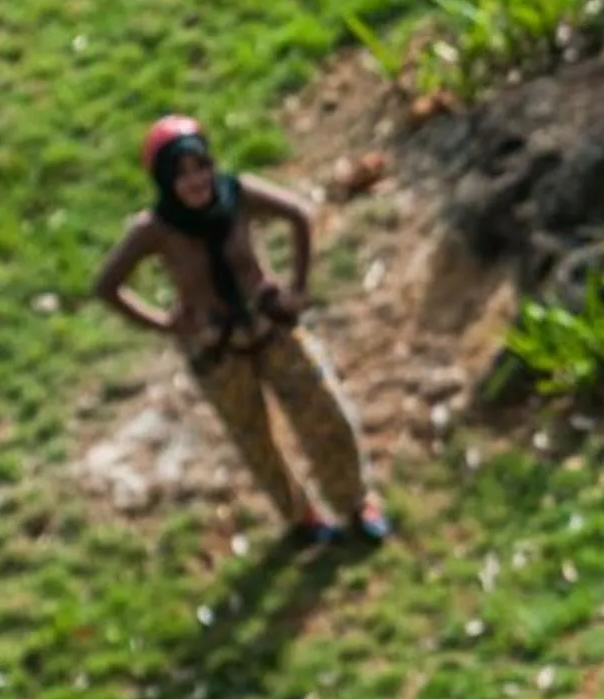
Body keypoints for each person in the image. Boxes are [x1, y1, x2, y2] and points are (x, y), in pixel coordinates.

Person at [91, 114, 391, 546]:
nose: (196, 181)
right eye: (181, 174)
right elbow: (107, 286)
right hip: (215, 347)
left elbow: (300, 216)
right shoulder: (155, 229)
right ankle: (300, 516)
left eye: (201, 167)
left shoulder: (238, 193)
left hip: (267, 322)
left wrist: (297, 290)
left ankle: (356, 502)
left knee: (323, 409)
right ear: (163, 181)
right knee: (254, 437)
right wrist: (166, 324)